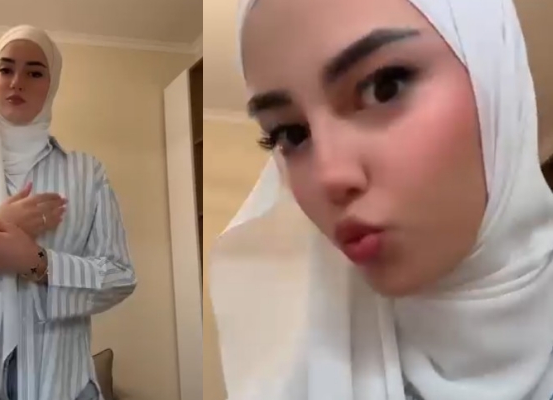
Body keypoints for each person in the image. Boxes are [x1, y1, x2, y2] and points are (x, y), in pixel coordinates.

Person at [209, 0, 553, 399]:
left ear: (494, 80)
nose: (329, 176)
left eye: (384, 87)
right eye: (290, 134)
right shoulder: (302, 376)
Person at [0, 25, 137, 400]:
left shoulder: (86, 174)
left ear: (52, 84)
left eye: (34, 72)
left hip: (60, 382)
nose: (17, 82)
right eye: (5, 69)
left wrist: (36, 262)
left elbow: (119, 276)